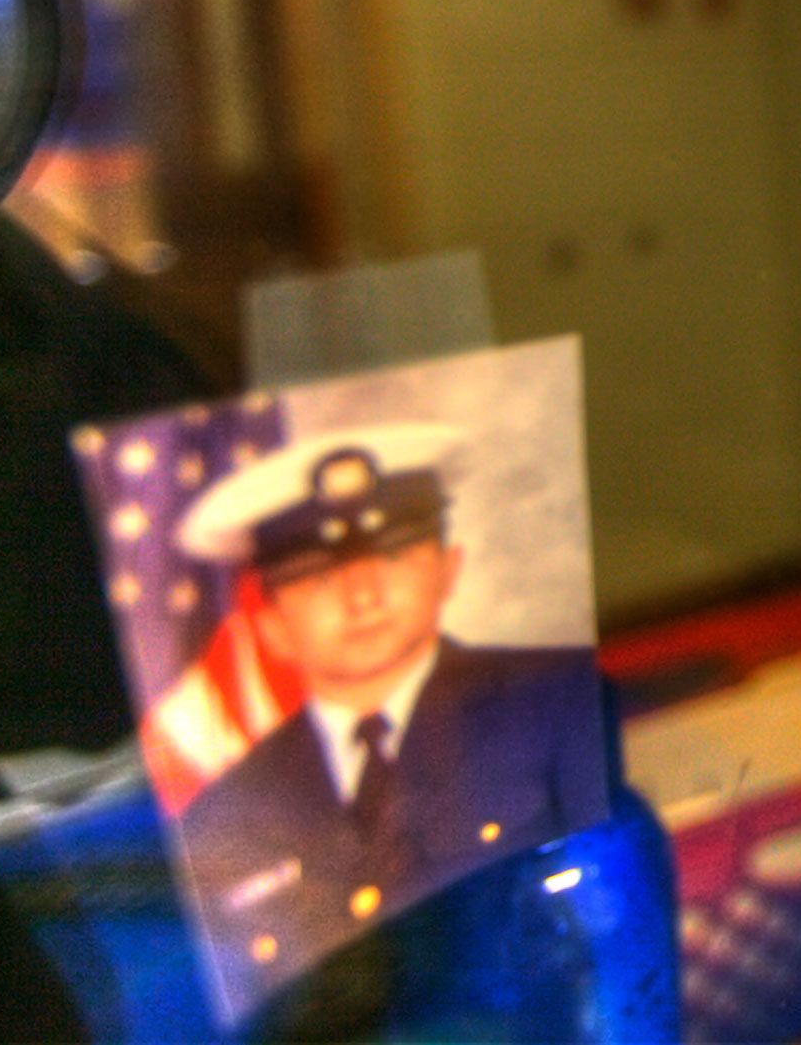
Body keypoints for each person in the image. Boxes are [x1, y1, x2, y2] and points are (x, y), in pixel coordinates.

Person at [171, 425, 606, 1003]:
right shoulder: (223, 816)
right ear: (270, 625)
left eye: (394, 555)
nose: (363, 597)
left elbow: (608, 929)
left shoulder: (560, 702)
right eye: (321, 577)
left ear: (449, 568)